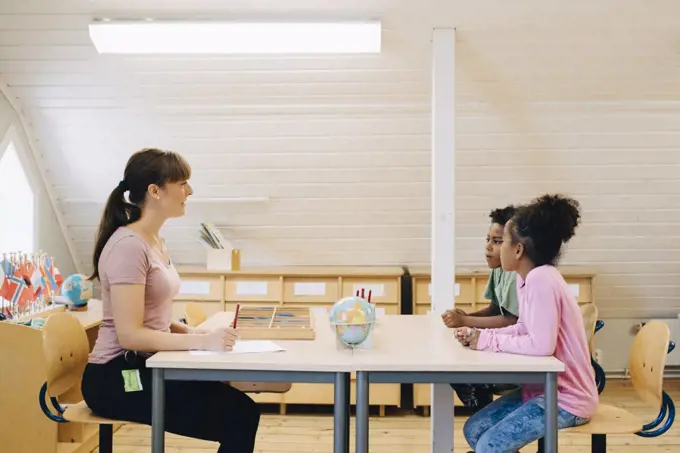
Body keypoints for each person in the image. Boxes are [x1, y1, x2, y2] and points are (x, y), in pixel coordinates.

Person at [81, 148, 260, 453]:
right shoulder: (128, 247)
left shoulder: (154, 241)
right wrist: (203, 343)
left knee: (239, 411)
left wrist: (191, 333)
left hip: (145, 364)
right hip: (116, 378)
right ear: (155, 191)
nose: (189, 191)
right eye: (182, 183)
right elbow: (131, 336)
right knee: (240, 415)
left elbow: (154, 319)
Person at [457, 194, 598, 453]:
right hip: (541, 390)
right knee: (474, 430)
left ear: (518, 249)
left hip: (567, 399)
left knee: (491, 445)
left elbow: (541, 345)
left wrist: (487, 340)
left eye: (504, 241)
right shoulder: (528, 279)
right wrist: (479, 334)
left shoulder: (541, 280)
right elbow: (523, 328)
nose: (497, 248)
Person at [441, 205, 520, 411]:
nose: (488, 247)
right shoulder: (499, 268)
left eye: (497, 242)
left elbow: (511, 320)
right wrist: (464, 317)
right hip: (505, 340)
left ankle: (487, 421)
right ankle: (484, 423)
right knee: (456, 366)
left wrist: (466, 322)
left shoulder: (514, 274)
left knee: (467, 376)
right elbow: (496, 309)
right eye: (488, 240)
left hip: (518, 349)